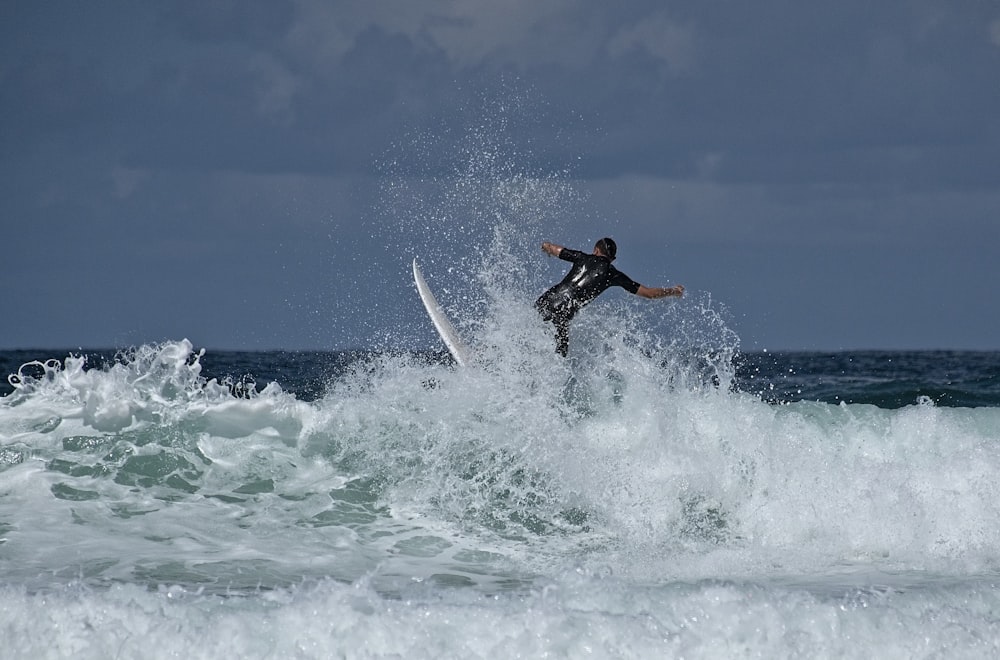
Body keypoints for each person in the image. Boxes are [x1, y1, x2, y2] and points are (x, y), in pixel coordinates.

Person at [535, 237, 684, 356]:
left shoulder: (581, 257)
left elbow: (553, 248)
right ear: (612, 259)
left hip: (545, 300)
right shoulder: (613, 274)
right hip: (562, 314)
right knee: (558, 357)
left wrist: (546, 247)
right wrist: (673, 291)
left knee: (528, 334)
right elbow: (649, 294)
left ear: (595, 250)